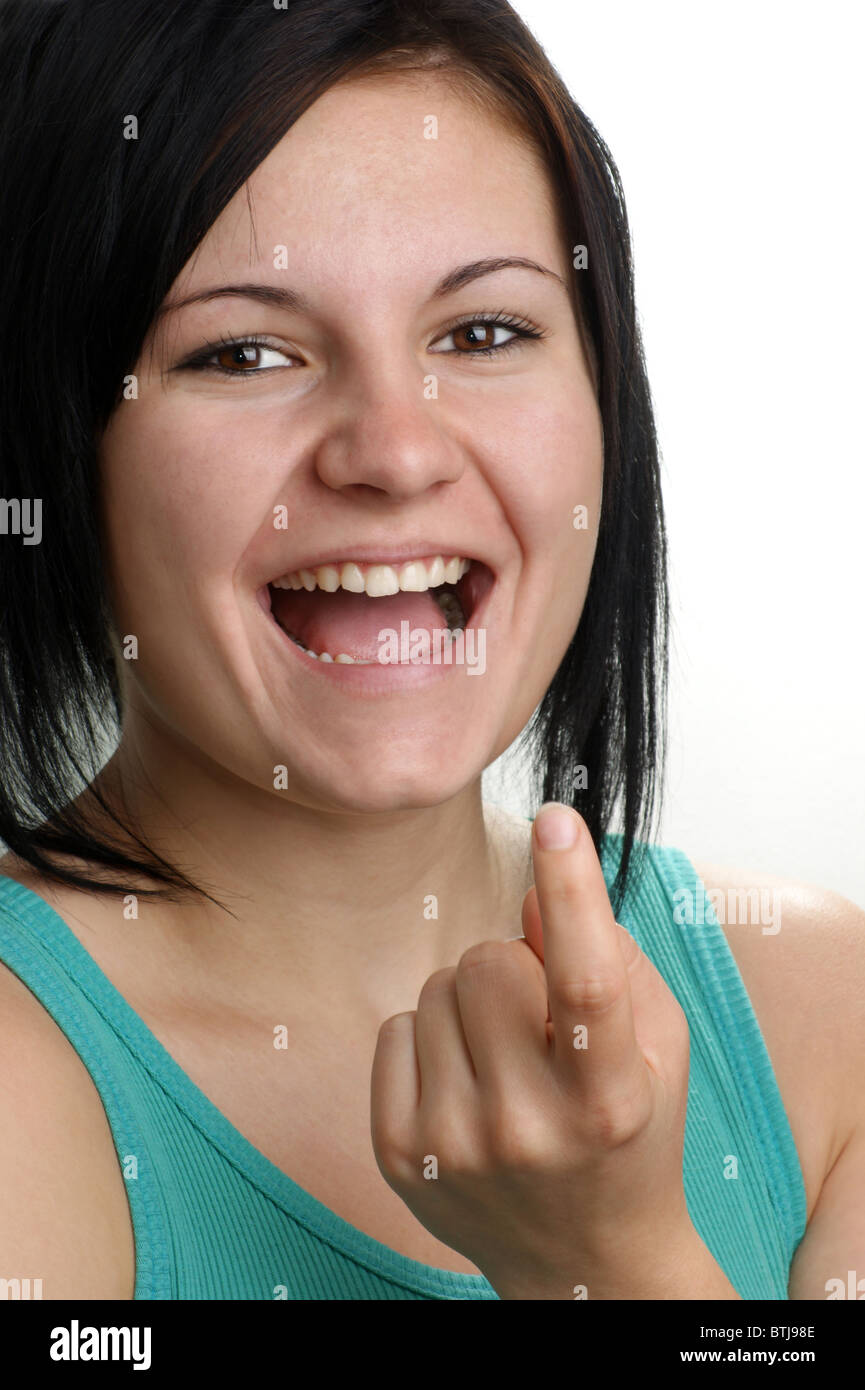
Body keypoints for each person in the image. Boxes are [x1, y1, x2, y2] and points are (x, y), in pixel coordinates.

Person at [0, 0, 861, 1302]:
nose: (395, 453)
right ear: (56, 439)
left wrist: (612, 1258)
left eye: (482, 333)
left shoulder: (823, 1008)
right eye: (243, 351)